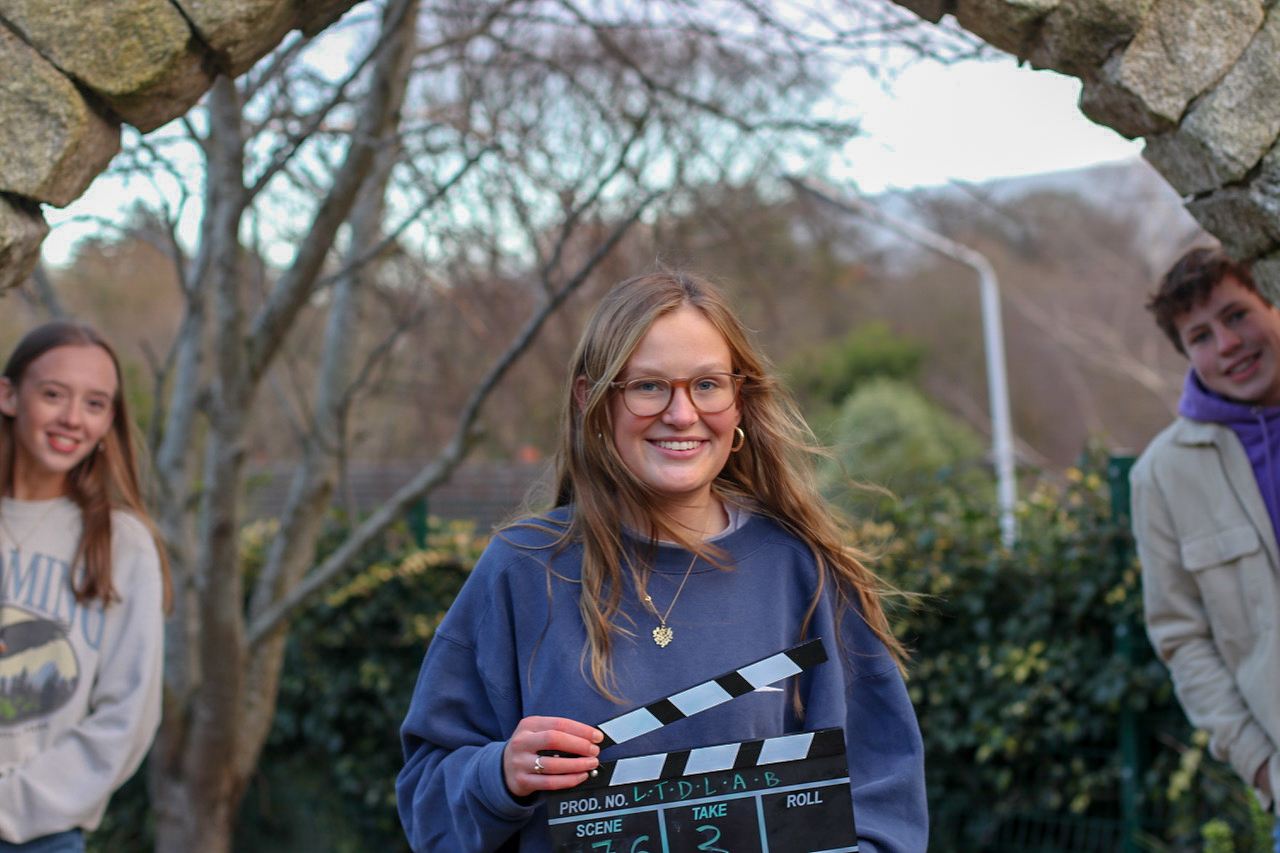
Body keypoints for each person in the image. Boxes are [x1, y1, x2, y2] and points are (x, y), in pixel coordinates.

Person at [397, 270, 927, 852]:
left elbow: (884, 800)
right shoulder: (521, 572)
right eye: (648, 386)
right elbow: (428, 805)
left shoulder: (805, 571)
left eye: (707, 384)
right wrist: (498, 775)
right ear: (593, 401)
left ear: (740, 400)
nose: (681, 414)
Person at [0, 320, 170, 852]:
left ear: (110, 419)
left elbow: (128, 715)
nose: (72, 418)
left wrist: (16, 806)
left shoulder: (123, 544)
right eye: (53, 394)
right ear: (8, 395)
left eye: (95, 403)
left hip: (42, 837)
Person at [1131, 245, 1280, 837]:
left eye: (1238, 315)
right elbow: (1180, 636)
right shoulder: (1162, 476)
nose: (1228, 345)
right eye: (1201, 336)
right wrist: (1263, 767)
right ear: (1187, 353)